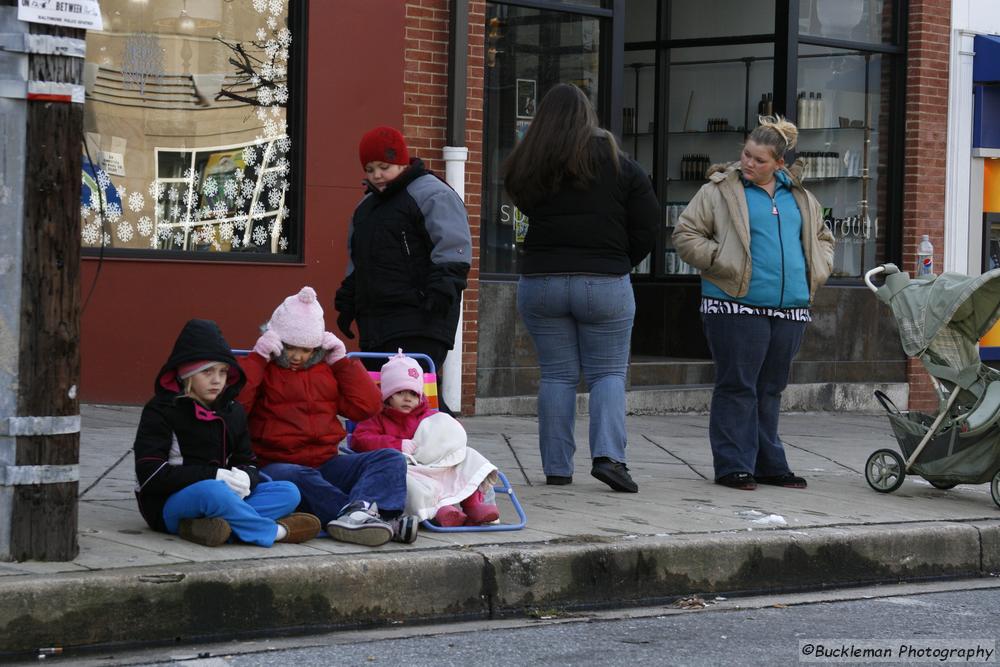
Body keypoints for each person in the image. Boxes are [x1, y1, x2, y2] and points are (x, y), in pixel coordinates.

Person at [501, 83, 660, 493]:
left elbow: (521, 201)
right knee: (608, 372)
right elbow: (649, 225)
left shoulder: (528, 165)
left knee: (556, 376)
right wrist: (620, 261)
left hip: (541, 280)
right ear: (588, 115)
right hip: (604, 280)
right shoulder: (620, 164)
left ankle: (557, 468)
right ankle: (609, 459)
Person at [672, 115, 835, 491]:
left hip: (791, 306)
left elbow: (823, 238)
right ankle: (733, 465)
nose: (748, 163)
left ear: (780, 163)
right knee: (738, 385)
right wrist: (722, 260)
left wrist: (819, 268)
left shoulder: (802, 198)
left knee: (771, 387)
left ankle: (769, 464)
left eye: (759, 160)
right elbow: (685, 234)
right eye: (746, 154)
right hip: (734, 303)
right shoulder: (718, 191)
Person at [237, 286, 418, 546]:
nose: (298, 356)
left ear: (317, 346)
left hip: (326, 463)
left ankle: (366, 515)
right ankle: (367, 518)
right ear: (275, 338)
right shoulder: (262, 367)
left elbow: (366, 407)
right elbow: (236, 407)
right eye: (290, 347)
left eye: (306, 349)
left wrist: (342, 362)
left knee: (390, 459)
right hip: (278, 465)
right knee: (295, 476)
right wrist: (257, 357)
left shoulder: (327, 370)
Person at [133, 319, 321, 547]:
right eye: (207, 372)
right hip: (168, 504)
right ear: (185, 374)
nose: (217, 380)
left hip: (223, 496)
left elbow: (248, 461)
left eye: (223, 372)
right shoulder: (161, 410)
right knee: (213, 492)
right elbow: (150, 475)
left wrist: (245, 477)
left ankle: (207, 528)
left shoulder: (233, 411)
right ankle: (277, 532)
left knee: (288, 491)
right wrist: (214, 475)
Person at [334, 126, 472, 415]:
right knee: (385, 399)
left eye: (384, 167)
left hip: (421, 315)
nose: (376, 175)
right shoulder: (366, 208)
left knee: (417, 397)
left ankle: (446, 449)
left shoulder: (430, 194)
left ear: (402, 161)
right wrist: (349, 299)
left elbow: (452, 247)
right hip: (376, 322)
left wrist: (442, 289)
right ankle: (395, 453)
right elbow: (358, 259)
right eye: (370, 169)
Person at [351, 350, 499, 526]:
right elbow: (358, 440)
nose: (407, 399)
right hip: (411, 469)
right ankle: (440, 511)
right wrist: (396, 444)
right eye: (400, 393)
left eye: (413, 394)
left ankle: (473, 505)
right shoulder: (377, 417)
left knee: (468, 456)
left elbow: (445, 437)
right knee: (407, 480)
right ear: (387, 395)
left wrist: (450, 434)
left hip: (438, 463)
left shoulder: (427, 415)